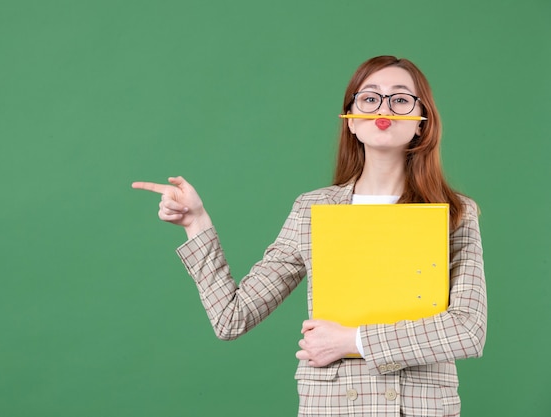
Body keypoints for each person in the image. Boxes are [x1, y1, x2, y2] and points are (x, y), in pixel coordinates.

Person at [132, 55, 487, 417]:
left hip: (419, 406)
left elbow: (468, 330)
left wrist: (352, 341)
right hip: (333, 405)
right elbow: (231, 318)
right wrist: (196, 223)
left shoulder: (456, 213)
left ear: (421, 121)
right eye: (369, 98)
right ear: (350, 120)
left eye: (400, 98)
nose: (384, 108)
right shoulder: (311, 210)